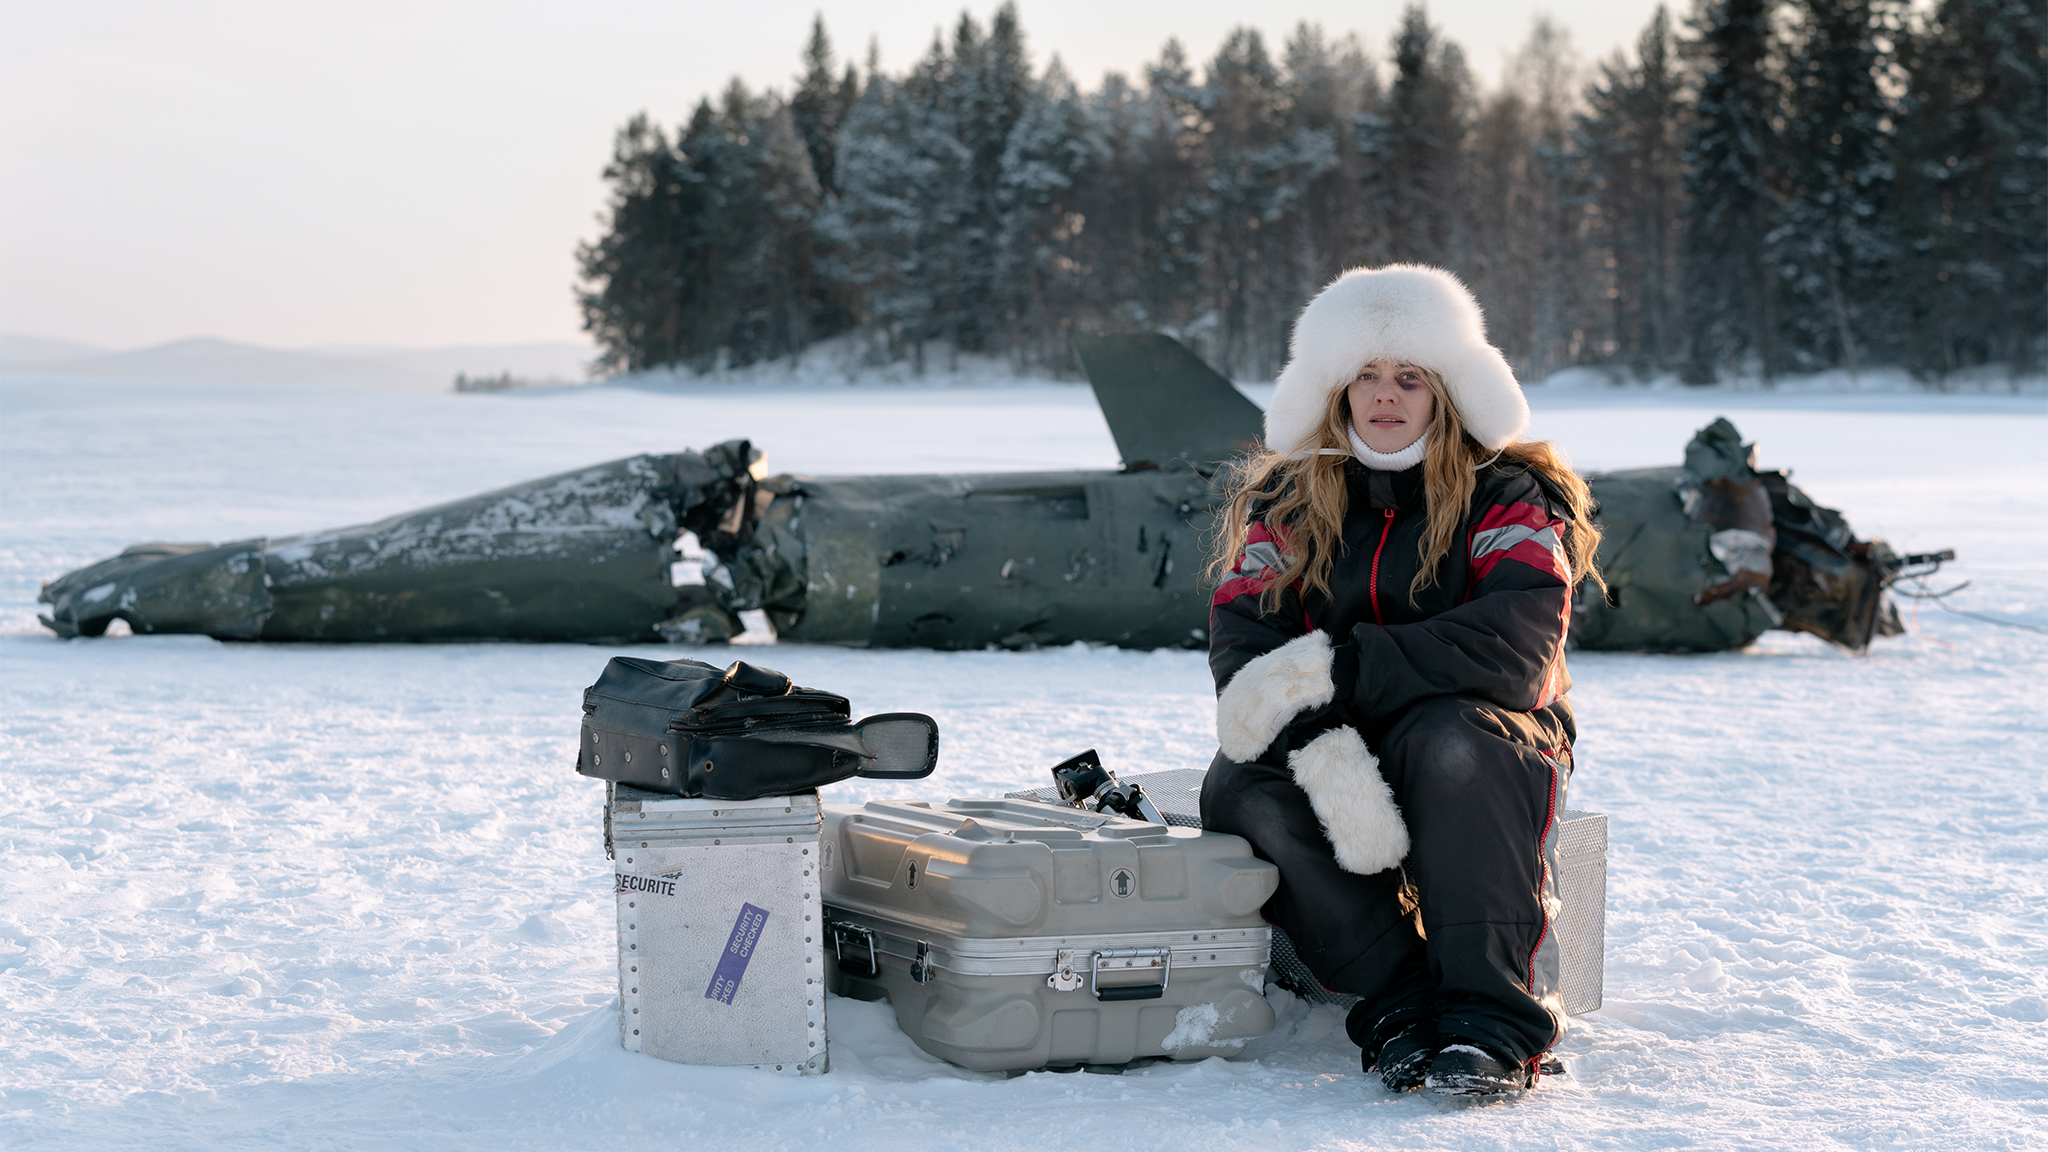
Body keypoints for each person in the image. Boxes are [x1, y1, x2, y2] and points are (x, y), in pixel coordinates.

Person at [1200, 264, 1604, 1099]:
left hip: (1490, 730)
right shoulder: (1290, 500)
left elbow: (1520, 642)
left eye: (1410, 377)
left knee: (1447, 740)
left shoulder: (1504, 495)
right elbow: (1245, 638)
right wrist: (1312, 732)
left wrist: (1345, 669)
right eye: (1367, 376)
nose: (1386, 395)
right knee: (1241, 785)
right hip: (1341, 727)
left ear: (1446, 390)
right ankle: (1402, 1002)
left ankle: (1492, 1022)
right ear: (1336, 390)